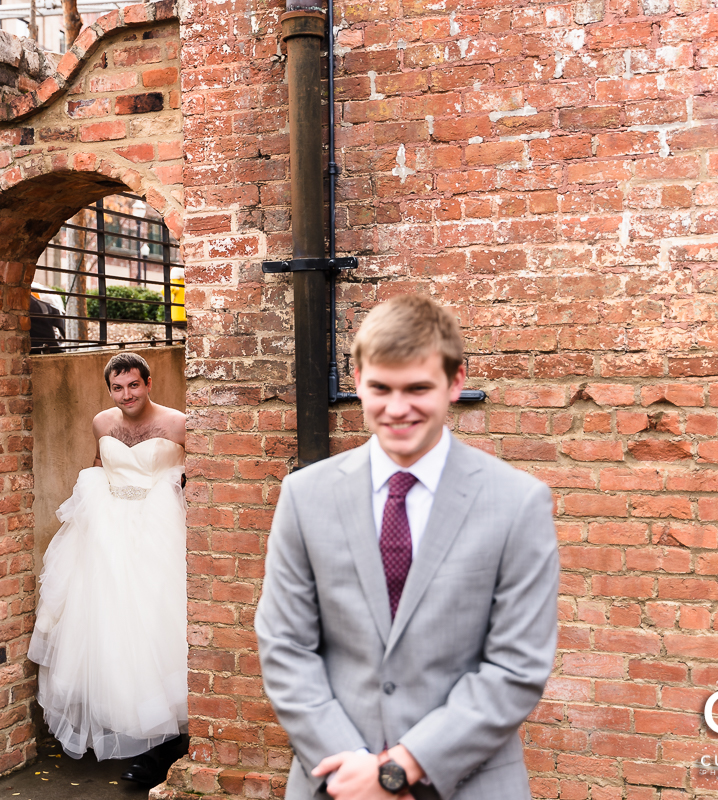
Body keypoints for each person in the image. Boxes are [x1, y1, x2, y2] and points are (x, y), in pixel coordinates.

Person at [255, 294, 560, 800]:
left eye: (418, 388)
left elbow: (516, 666)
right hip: (335, 781)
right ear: (357, 380)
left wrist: (399, 770)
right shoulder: (305, 496)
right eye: (381, 388)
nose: (397, 409)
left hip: (470, 783)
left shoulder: (517, 502)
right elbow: (285, 646)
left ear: (455, 382)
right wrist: (351, 771)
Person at [29, 352, 189, 786]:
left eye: (133, 385)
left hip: (159, 529)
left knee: (155, 621)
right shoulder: (102, 423)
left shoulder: (177, 423)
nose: (126, 395)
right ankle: (129, 726)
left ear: (149, 382)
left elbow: (196, 473)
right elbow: (101, 466)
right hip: (108, 531)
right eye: (117, 388)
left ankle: (166, 734)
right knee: (109, 626)